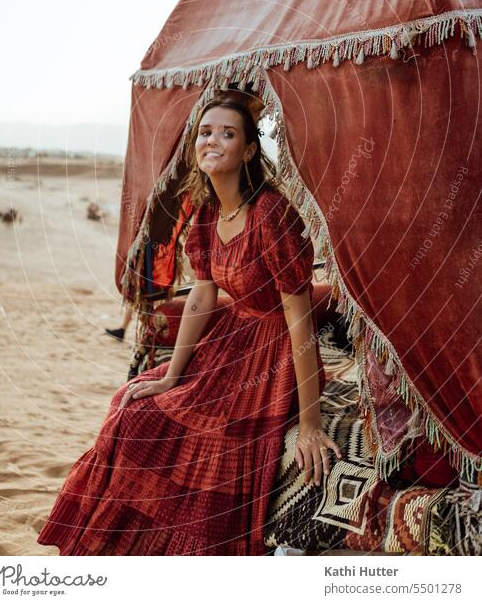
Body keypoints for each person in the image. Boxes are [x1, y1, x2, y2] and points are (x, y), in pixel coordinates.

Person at [36, 93, 342, 556]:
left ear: (249, 151)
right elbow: (202, 294)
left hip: (271, 352)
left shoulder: (271, 214)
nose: (212, 140)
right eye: (205, 132)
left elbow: (298, 318)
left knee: (202, 438)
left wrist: (312, 423)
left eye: (227, 133)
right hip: (228, 342)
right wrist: (174, 375)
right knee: (130, 403)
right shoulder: (206, 214)